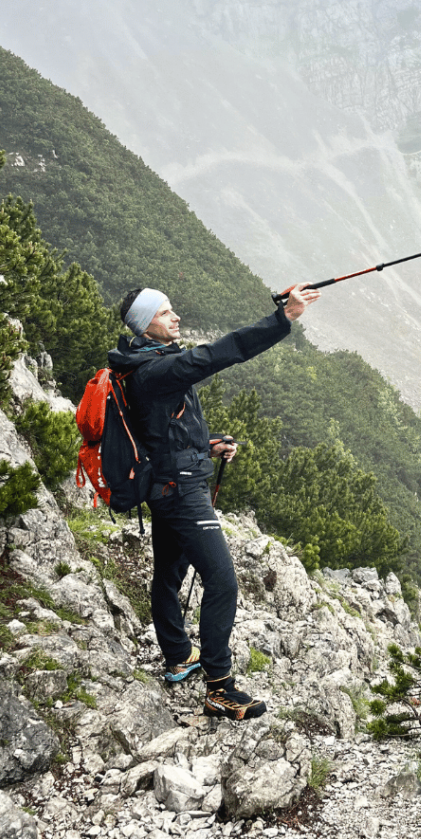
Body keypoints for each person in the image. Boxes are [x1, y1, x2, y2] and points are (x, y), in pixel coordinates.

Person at [108, 283, 320, 720]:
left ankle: (179, 655)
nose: (176, 317)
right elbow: (223, 352)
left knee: (168, 573)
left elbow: (161, 432)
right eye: (167, 313)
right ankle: (220, 688)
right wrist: (283, 320)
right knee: (222, 581)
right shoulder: (155, 371)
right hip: (183, 493)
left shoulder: (142, 364)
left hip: (167, 485)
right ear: (146, 325)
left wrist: (208, 446)